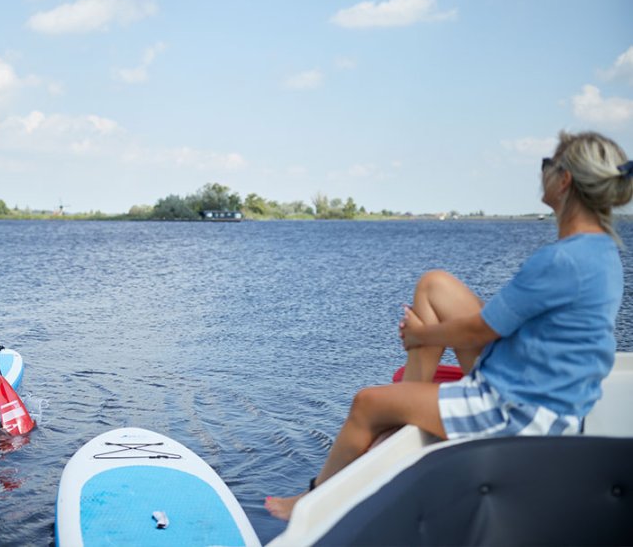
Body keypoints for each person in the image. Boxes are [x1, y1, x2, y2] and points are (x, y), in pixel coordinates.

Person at [266, 131, 633, 521]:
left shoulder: (561, 261)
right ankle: (407, 405)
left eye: (548, 164)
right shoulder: (602, 251)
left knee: (366, 403)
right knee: (435, 284)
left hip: (520, 412)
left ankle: (310, 505)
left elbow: (482, 330)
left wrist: (419, 336)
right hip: (548, 394)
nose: (541, 171)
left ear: (564, 181)